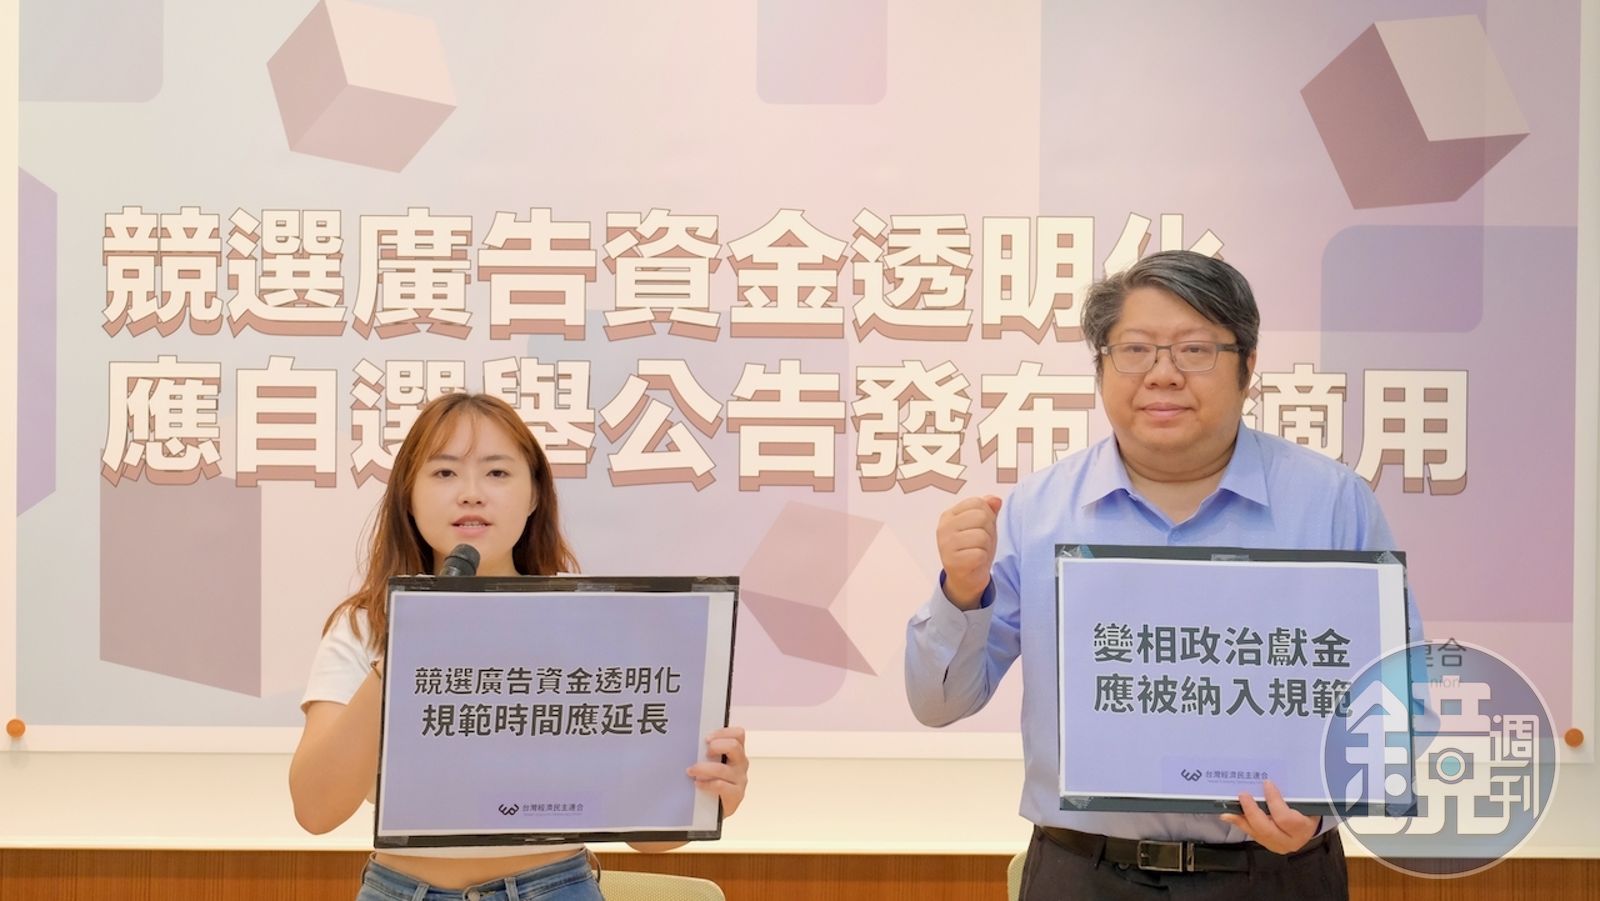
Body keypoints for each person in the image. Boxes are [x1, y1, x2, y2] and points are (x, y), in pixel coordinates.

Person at [906, 251, 1421, 900]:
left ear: (1248, 366)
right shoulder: (1037, 510)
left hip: (1276, 873)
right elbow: (940, 704)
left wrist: (1326, 807)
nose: (1163, 374)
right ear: (1101, 367)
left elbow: (1402, 696)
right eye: (1135, 350)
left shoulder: (1331, 504)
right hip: (1084, 874)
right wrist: (961, 591)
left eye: (1195, 350)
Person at [290, 392, 749, 901]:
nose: (471, 494)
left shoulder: (597, 620)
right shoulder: (364, 625)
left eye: (497, 473)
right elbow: (316, 811)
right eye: (444, 473)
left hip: (553, 888)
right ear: (407, 497)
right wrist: (404, 651)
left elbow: (649, 837)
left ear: (534, 496)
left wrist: (709, 793)